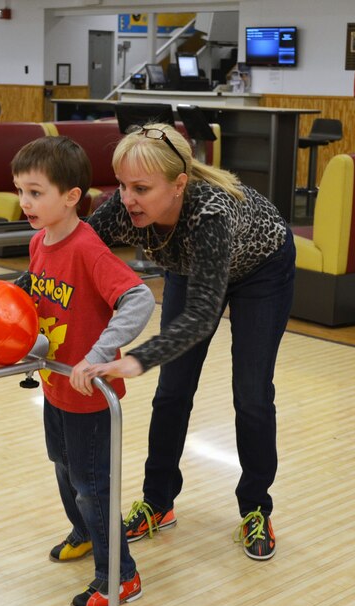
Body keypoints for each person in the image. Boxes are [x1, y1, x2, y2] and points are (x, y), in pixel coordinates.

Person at [85, 123, 296, 561]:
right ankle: (158, 502)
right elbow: (73, 252)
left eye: (141, 188)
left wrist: (140, 357)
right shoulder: (123, 208)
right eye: (122, 185)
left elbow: (203, 316)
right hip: (190, 266)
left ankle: (256, 507)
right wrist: (18, 297)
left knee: (252, 394)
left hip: (262, 269)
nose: (126, 198)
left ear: (179, 184)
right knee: (172, 393)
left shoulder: (210, 214)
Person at [11, 136, 155, 606]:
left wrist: (98, 355)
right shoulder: (38, 242)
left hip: (91, 396)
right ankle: (85, 533)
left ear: (71, 196)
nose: (24, 202)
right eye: (20, 191)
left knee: (92, 487)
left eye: (35, 192)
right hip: (55, 386)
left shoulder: (87, 248)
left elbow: (139, 299)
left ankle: (120, 576)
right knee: (63, 467)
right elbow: (37, 299)